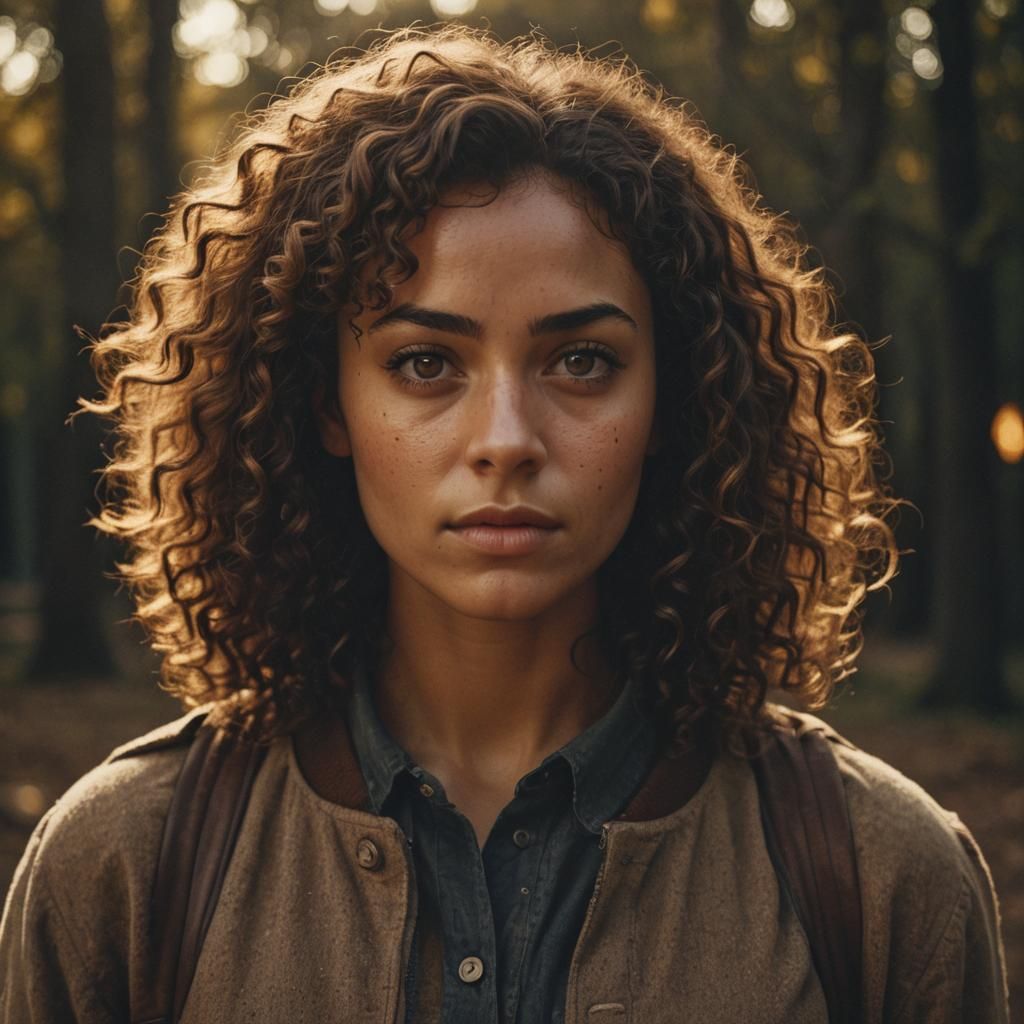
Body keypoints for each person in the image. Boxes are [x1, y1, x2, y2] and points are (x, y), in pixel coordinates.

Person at [0, 23, 1009, 1024]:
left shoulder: (882, 881)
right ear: (325, 403)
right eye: (425, 362)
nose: (506, 439)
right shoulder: (124, 869)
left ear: (673, 399)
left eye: (580, 360)